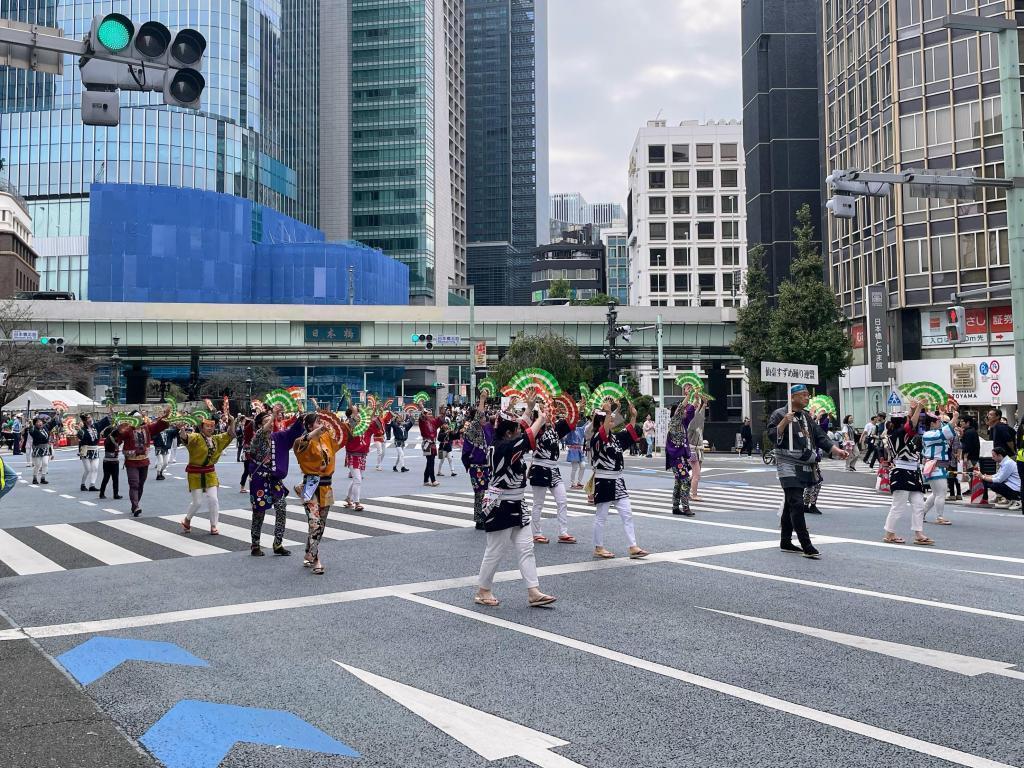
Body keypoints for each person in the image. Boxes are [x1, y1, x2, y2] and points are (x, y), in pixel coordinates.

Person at [473, 407, 557, 608]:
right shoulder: (504, 447)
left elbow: (523, 432)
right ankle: (483, 590)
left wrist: (528, 408)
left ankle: (533, 591)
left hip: (517, 503)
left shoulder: (504, 442)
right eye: (516, 430)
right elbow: (527, 437)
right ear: (509, 433)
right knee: (495, 550)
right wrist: (541, 419)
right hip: (500, 504)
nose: (520, 431)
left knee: (526, 547)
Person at [767, 385, 847, 559]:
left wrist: (835, 450)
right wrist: (783, 423)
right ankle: (806, 544)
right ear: (793, 397)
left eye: (807, 395)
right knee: (796, 502)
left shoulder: (806, 416)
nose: (807, 398)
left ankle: (785, 541)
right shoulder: (779, 414)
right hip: (786, 462)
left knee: (790, 503)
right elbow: (772, 436)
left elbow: (819, 436)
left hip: (804, 462)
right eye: (803, 395)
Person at [590, 400, 650, 560]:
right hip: (603, 481)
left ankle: (633, 546)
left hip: (618, 481)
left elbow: (629, 433)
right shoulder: (597, 438)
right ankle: (598, 547)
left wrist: (633, 417)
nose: (612, 421)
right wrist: (609, 411)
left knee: (627, 513)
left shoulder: (615, 438)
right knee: (601, 516)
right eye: (609, 420)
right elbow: (603, 431)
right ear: (602, 422)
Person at [293, 411, 346, 574]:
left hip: (326, 487)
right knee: (314, 523)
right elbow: (304, 441)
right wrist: (316, 431)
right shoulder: (301, 442)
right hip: (310, 487)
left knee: (321, 525)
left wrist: (351, 422)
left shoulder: (327, 438)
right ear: (309, 426)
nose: (321, 424)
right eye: (317, 422)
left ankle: (309, 552)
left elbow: (340, 441)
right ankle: (316, 559)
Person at [248, 405, 304, 556]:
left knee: (281, 507)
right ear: (259, 424)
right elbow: (264, 430)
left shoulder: (278, 437)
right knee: (259, 512)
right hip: (259, 480)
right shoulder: (257, 437)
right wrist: (272, 415)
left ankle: (278, 543)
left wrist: (301, 416)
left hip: (274, 480)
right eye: (267, 420)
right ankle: (255, 544)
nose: (271, 423)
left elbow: (293, 432)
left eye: (272, 420)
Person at [882, 400, 935, 546]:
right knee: (898, 506)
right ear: (902, 423)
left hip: (912, 471)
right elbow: (911, 425)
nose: (910, 419)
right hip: (902, 471)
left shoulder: (900, 434)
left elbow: (910, 424)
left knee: (918, 504)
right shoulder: (898, 434)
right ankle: (889, 533)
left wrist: (913, 409)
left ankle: (918, 533)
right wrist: (918, 407)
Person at [528, 397, 578, 545]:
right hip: (539, 467)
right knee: (538, 503)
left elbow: (572, 420)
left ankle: (563, 532)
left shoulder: (555, 428)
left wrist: (572, 408)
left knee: (562, 500)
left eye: (550, 410)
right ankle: (536, 533)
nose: (549, 413)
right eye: (545, 410)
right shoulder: (536, 428)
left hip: (553, 469)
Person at [180, 412, 237, 535]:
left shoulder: (217, 439)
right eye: (207, 426)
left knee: (213, 499)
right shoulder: (196, 437)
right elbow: (185, 438)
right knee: (197, 502)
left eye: (212, 426)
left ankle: (213, 525)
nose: (210, 428)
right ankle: (187, 519)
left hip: (210, 472)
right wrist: (182, 430)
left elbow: (231, 434)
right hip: (195, 473)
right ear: (202, 427)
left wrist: (232, 422)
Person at [112, 407, 170, 517]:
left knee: (141, 484)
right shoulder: (127, 430)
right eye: (135, 418)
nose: (138, 420)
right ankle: (136, 506)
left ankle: (135, 504)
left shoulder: (147, 428)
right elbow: (117, 437)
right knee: (134, 484)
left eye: (139, 417)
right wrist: (119, 429)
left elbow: (158, 425)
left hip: (144, 461)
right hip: (131, 461)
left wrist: (165, 416)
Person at [461, 392, 493, 529]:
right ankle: (479, 519)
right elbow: (480, 414)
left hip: (486, 465)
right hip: (476, 466)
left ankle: (486, 515)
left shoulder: (485, 429)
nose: (484, 418)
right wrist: (482, 400)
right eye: (482, 417)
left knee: (489, 491)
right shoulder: (473, 429)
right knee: (479, 492)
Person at [920, 410, 959, 526]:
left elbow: (946, 432)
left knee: (936, 493)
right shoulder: (929, 434)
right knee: (941, 493)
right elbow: (944, 433)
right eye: (938, 421)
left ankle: (921, 514)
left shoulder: (931, 434)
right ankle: (939, 517)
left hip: (936, 466)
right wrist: (955, 417)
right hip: (935, 466)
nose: (940, 423)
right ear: (932, 424)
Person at [343, 404, 377, 512]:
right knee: (357, 479)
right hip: (353, 455)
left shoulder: (365, 425)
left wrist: (374, 412)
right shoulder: (349, 425)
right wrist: (353, 415)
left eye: (358, 412)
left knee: (357, 479)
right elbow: (350, 426)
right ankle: (357, 502)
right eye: (355, 412)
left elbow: (376, 425)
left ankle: (348, 498)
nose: (358, 414)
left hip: (362, 455)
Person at [666, 397, 696, 516]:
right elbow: (681, 410)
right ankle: (685, 507)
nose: (685, 412)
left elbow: (689, 413)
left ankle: (675, 507)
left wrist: (695, 400)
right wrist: (688, 396)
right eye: (682, 410)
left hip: (680, 457)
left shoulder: (682, 423)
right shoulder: (674, 422)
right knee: (686, 481)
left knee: (679, 482)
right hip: (676, 458)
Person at [77, 413, 103, 492]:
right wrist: (80, 451)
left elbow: (104, 422)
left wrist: (110, 413)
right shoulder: (83, 430)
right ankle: (83, 484)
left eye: (90, 417)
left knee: (95, 468)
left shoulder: (96, 426)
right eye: (88, 418)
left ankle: (92, 485)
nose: (90, 419)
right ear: (85, 421)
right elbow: (80, 439)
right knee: (88, 469)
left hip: (95, 450)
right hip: (86, 450)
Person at [686, 399, 706, 501]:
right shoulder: (691, 425)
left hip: (697, 451)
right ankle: (693, 494)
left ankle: (685, 491)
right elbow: (697, 416)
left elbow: (700, 417)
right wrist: (698, 406)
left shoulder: (697, 425)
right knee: (696, 474)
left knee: (695, 474)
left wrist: (704, 405)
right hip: (693, 451)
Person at [97, 425, 123, 500]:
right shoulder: (109, 440)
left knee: (113, 478)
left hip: (112, 461)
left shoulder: (113, 439)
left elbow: (119, 440)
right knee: (107, 478)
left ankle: (114, 494)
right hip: (109, 461)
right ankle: (104, 493)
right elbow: (116, 443)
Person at [419, 406, 443, 487]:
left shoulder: (433, 421)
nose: (430, 415)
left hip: (432, 443)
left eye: (430, 413)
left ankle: (426, 480)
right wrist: (422, 409)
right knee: (431, 461)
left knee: (429, 461)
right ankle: (433, 480)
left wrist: (442, 412)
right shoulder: (422, 422)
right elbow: (422, 417)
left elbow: (440, 420)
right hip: (426, 442)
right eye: (428, 414)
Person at [28, 415, 53, 485]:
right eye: (38, 422)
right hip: (37, 449)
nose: (40, 423)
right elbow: (31, 430)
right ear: (35, 423)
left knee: (45, 463)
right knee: (38, 465)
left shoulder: (45, 428)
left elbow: (52, 423)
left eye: (41, 422)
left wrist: (57, 414)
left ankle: (43, 478)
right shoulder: (34, 429)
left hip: (45, 448)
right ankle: (35, 478)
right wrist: (30, 424)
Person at [565, 419, 587, 489]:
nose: (574, 424)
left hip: (579, 450)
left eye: (575, 423)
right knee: (574, 468)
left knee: (583, 466)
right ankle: (572, 483)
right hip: (573, 450)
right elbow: (566, 439)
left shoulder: (579, 429)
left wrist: (592, 419)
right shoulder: (569, 431)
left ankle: (579, 482)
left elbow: (586, 426)